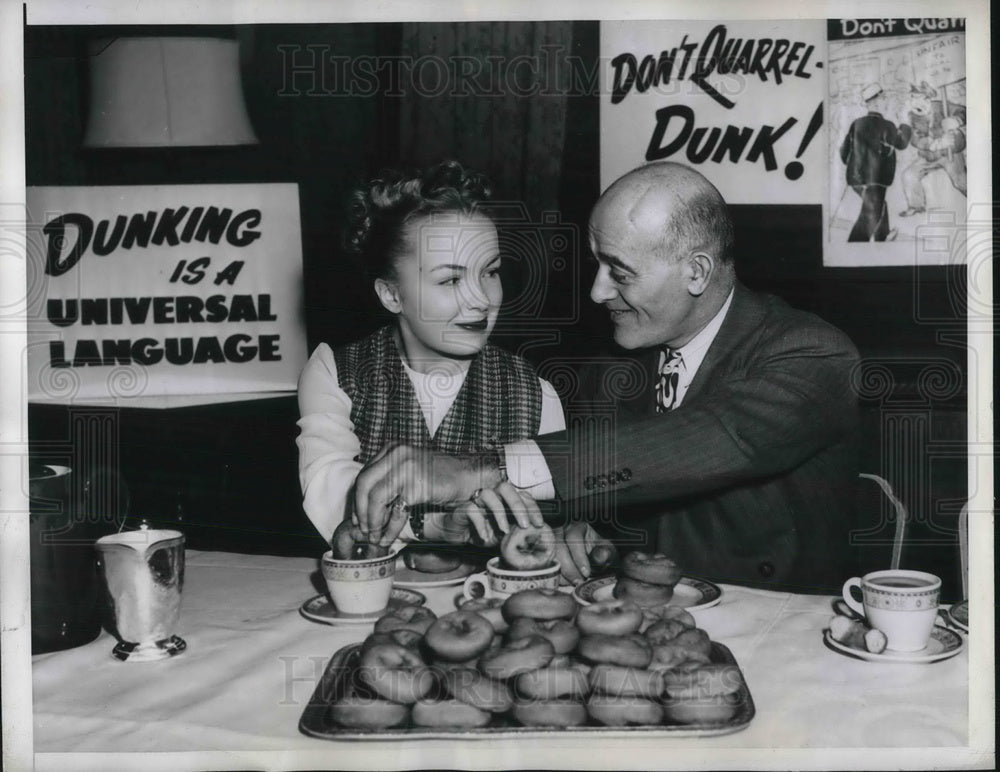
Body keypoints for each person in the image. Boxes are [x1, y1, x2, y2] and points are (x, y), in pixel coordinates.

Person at [351, 161, 861, 593]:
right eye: (597, 264)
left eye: (619, 272)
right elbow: (632, 486)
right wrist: (591, 535)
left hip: (777, 632)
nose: (596, 292)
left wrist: (477, 467)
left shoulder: (813, 354)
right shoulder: (616, 363)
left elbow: (701, 442)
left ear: (697, 272)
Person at [296, 160, 563, 549]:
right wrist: (432, 524)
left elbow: (546, 522)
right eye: (451, 279)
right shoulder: (334, 372)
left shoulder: (537, 394)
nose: (480, 300)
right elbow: (329, 491)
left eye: (490, 272)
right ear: (391, 294)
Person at [839, 82, 912, 242]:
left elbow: (844, 151)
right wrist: (905, 123)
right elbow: (902, 144)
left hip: (855, 179)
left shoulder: (856, 124)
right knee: (871, 213)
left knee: (877, 206)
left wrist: (854, 167)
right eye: (885, 98)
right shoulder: (887, 126)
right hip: (877, 180)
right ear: (876, 101)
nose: (887, 102)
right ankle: (855, 245)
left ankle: (882, 235)